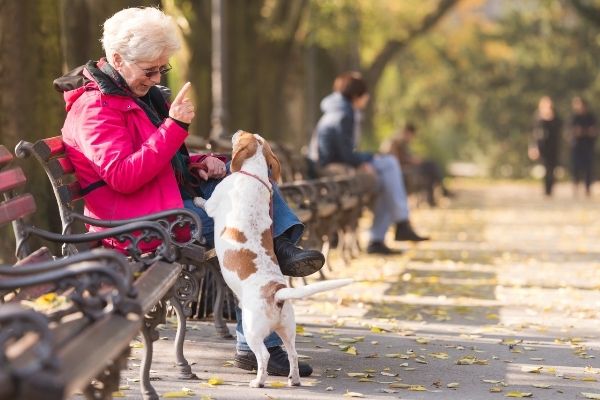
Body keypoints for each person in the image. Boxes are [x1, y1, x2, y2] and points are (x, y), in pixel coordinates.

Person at [56, 7, 323, 377]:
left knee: (249, 183)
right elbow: (122, 175)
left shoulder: (136, 95)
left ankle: (283, 246)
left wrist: (197, 163)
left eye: (161, 69)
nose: (155, 77)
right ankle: (269, 301)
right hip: (138, 223)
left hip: (162, 203)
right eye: (149, 69)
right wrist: (174, 126)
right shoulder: (96, 108)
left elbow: (157, 158)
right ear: (117, 59)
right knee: (248, 224)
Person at [310, 71, 428, 255]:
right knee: (389, 164)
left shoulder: (338, 109)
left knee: (387, 182)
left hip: (329, 166)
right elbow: (346, 155)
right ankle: (399, 224)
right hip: (331, 170)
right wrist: (368, 159)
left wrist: (365, 160)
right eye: (365, 95)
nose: (367, 99)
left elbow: (344, 151)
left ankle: (379, 239)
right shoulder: (344, 113)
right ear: (357, 96)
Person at [388, 123, 453, 206]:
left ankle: (435, 197)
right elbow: (397, 159)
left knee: (431, 168)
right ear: (407, 132)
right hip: (404, 168)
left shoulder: (403, 143)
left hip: (409, 166)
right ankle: (443, 191)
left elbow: (405, 156)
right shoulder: (396, 142)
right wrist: (412, 160)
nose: (412, 138)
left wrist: (414, 159)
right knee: (431, 167)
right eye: (411, 135)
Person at [531, 96, 562, 197]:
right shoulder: (538, 117)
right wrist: (533, 147)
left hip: (553, 146)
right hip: (542, 146)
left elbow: (559, 129)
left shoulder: (555, 116)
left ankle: (550, 189)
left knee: (552, 169)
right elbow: (534, 133)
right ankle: (546, 190)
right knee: (545, 168)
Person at [569, 96, 597, 197]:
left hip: (588, 146)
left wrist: (584, 132)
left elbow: (594, 131)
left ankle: (587, 188)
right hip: (576, 146)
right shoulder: (574, 117)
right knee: (576, 167)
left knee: (588, 168)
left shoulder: (591, 117)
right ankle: (575, 186)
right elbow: (570, 131)